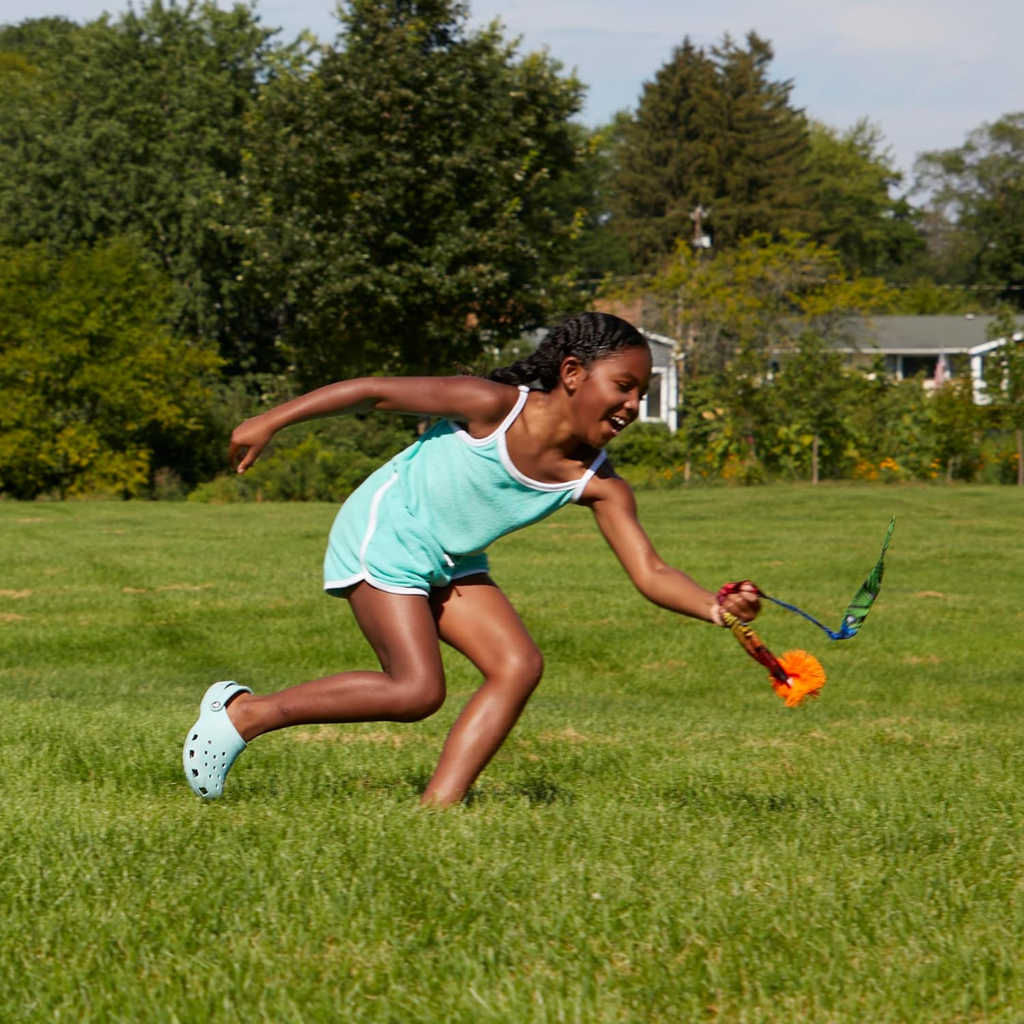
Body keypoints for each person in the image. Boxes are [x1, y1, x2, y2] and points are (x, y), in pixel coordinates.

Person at [182, 312, 760, 806]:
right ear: (573, 374)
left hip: (450, 559)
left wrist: (717, 608)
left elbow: (651, 572)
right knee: (415, 690)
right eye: (624, 386)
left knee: (517, 665)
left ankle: (439, 810)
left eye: (642, 395)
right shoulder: (492, 406)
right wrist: (270, 420)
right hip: (389, 531)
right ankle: (243, 715)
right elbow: (371, 391)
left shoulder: (600, 483)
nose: (633, 405)